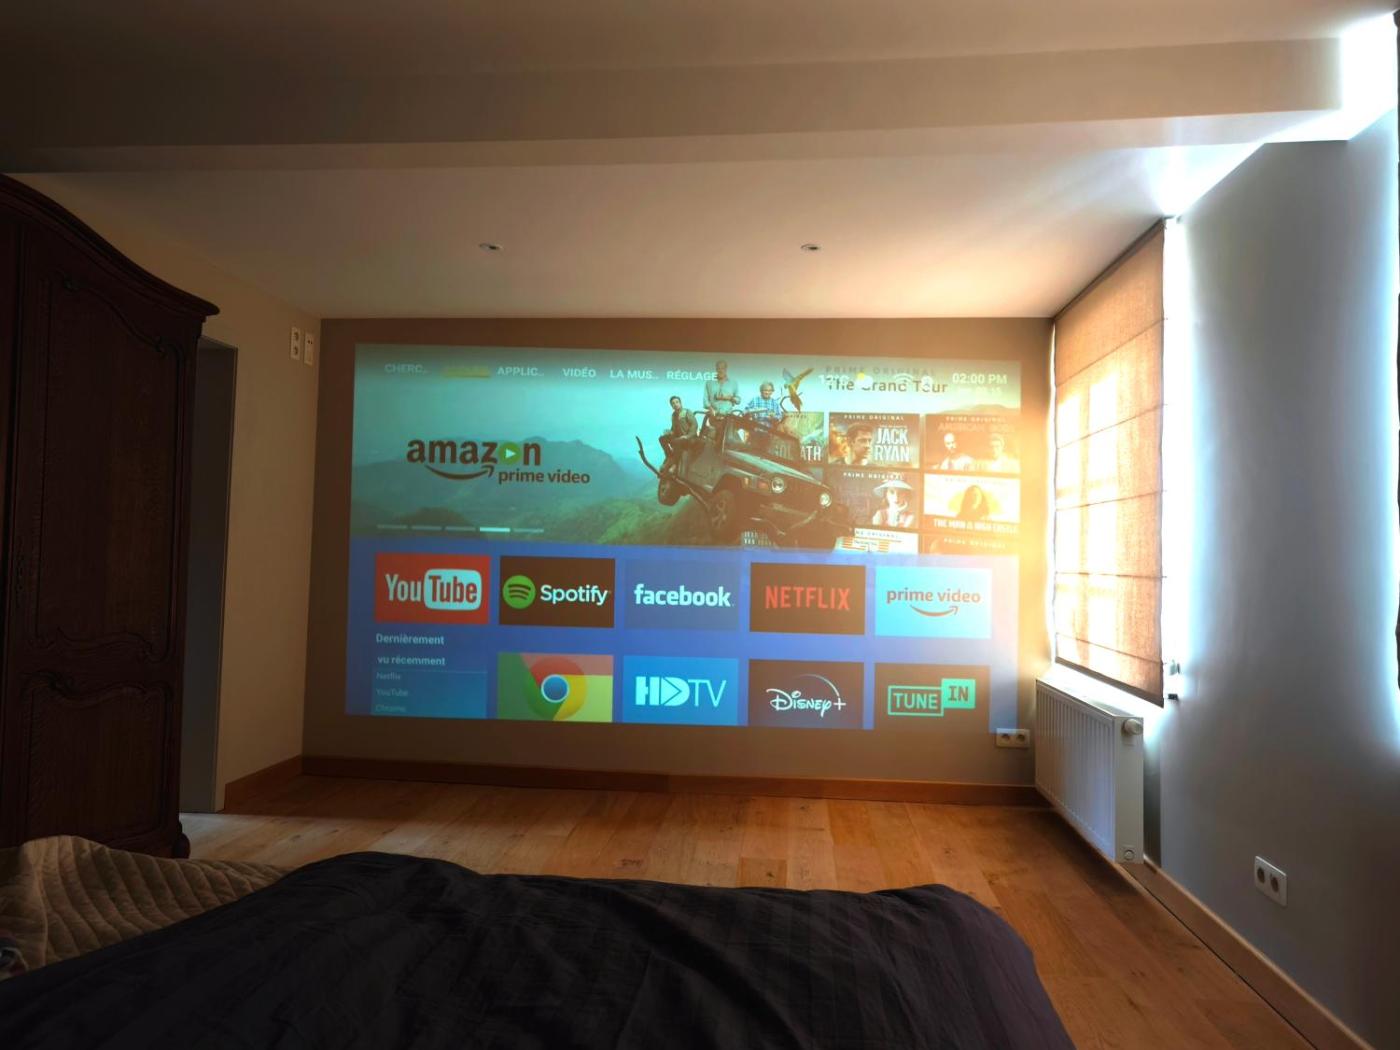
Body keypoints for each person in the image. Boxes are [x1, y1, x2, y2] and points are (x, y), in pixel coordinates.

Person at [658, 395, 697, 474]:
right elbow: (674, 429)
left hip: (690, 438)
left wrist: (687, 436)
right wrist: (669, 432)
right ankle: (669, 457)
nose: (675, 404)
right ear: (671, 406)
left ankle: (675, 464)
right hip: (679, 438)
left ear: (680, 403)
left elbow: (694, 425)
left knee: (676, 442)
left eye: (677, 402)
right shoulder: (673, 415)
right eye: (673, 403)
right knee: (662, 439)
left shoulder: (687, 412)